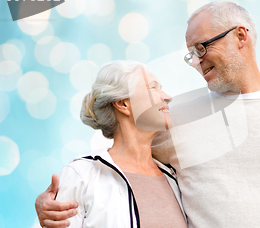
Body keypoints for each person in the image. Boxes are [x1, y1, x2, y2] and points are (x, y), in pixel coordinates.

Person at [36, 1, 260, 228]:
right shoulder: (172, 117)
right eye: (191, 54)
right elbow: (117, 157)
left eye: (202, 48)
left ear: (241, 36)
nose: (197, 61)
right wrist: (52, 205)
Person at [40, 61, 188, 228]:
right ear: (123, 104)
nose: (168, 96)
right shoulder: (83, 175)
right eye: (153, 88)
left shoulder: (174, 178)